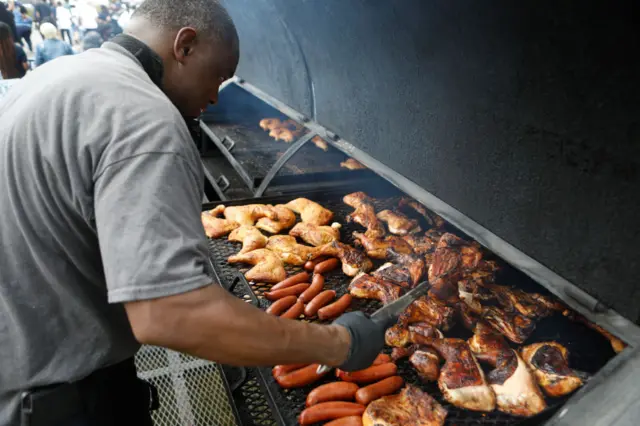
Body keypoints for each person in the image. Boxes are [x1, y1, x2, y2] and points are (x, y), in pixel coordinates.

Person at [0, 0, 386, 424]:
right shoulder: (144, 119)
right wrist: (336, 344)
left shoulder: (59, 76)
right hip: (55, 401)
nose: (216, 97)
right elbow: (169, 313)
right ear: (185, 45)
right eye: (218, 75)